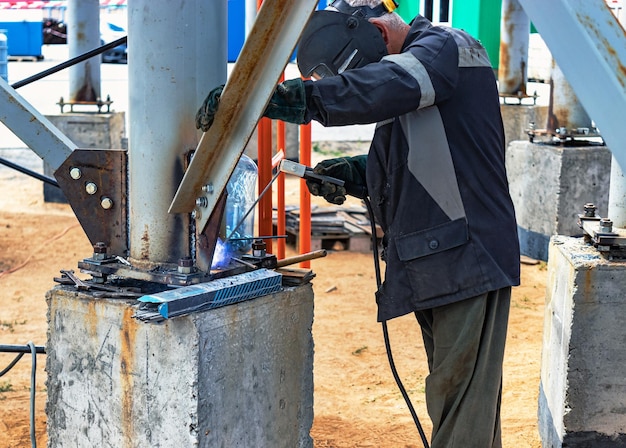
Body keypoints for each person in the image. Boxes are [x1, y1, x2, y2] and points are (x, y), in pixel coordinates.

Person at [196, 1, 520, 447]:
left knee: (461, 403)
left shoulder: (445, 46)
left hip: (469, 256)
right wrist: (354, 172)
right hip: (440, 255)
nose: (368, 80)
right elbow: (423, 160)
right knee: (458, 401)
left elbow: (379, 88)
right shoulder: (417, 76)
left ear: (379, 35)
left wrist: (280, 98)